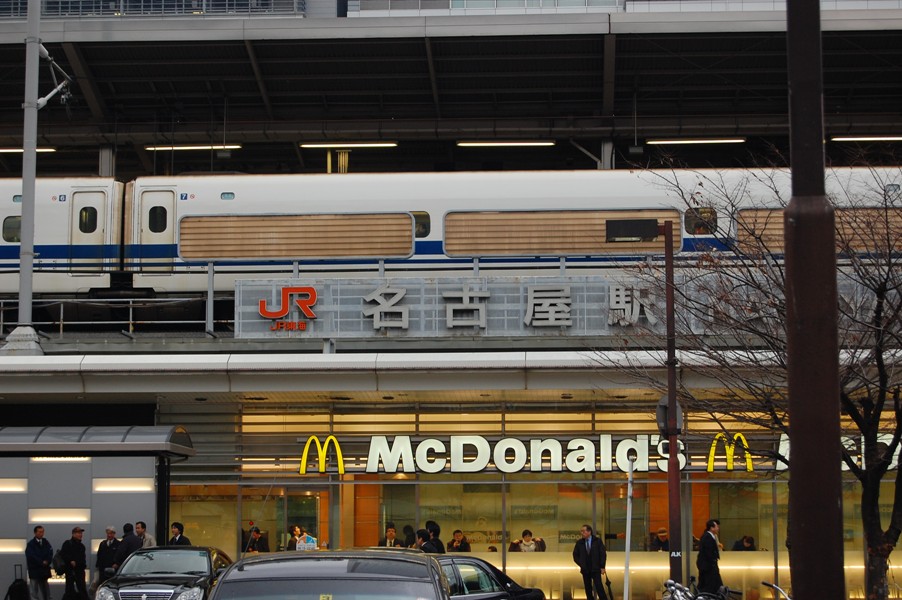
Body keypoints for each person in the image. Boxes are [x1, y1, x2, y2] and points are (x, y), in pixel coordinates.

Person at [572, 524, 606, 600]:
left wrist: (602, 566)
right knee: (588, 589)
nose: (582, 533)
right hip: (585, 569)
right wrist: (582, 564)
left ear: (589, 532)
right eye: (581, 531)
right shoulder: (579, 543)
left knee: (599, 587)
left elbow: (602, 554)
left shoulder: (597, 541)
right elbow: (575, 555)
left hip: (596, 568)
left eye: (583, 531)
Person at [60, 526, 89, 600]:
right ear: (73, 534)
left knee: (82, 589)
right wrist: (70, 561)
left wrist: (82, 566)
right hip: (70, 570)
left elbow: (82, 558)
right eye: (78, 533)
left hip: (80, 570)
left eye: (81, 533)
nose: (80, 535)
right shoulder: (67, 543)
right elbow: (63, 555)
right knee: (69, 590)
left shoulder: (82, 546)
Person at [25, 525, 53, 600]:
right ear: (35, 533)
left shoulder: (46, 542)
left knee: (46, 590)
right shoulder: (31, 544)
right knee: (34, 590)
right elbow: (31, 556)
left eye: (42, 532)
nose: (41, 533)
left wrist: (47, 561)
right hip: (34, 570)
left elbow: (50, 553)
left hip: (44, 570)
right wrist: (41, 562)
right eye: (40, 532)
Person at [697, 519, 724, 594]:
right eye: (716, 527)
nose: (718, 528)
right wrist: (713, 561)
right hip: (708, 567)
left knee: (714, 585)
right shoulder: (707, 537)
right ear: (712, 528)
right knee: (709, 586)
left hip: (709, 566)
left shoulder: (711, 536)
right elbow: (708, 552)